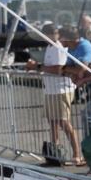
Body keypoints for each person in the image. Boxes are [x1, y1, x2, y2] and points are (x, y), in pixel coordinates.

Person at [29, 24, 83, 165]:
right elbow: (51, 67)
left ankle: (77, 155)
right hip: (51, 90)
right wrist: (39, 67)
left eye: (54, 33)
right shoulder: (50, 47)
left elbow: (59, 69)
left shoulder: (58, 47)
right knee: (52, 122)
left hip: (61, 90)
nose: (53, 36)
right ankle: (55, 153)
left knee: (64, 122)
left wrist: (37, 67)